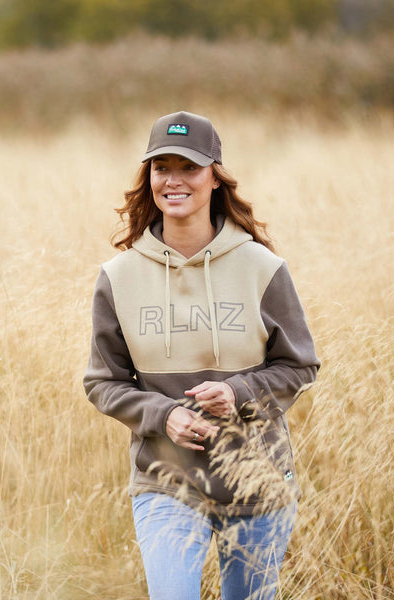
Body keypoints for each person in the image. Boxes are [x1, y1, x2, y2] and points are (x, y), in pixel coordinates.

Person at [83, 111, 320, 600]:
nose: (173, 180)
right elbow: (102, 382)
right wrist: (163, 414)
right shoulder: (119, 276)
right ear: (147, 178)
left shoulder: (262, 266)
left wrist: (237, 392)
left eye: (189, 167)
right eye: (161, 167)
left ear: (215, 176)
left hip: (258, 479)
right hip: (166, 482)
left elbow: (299, 364)